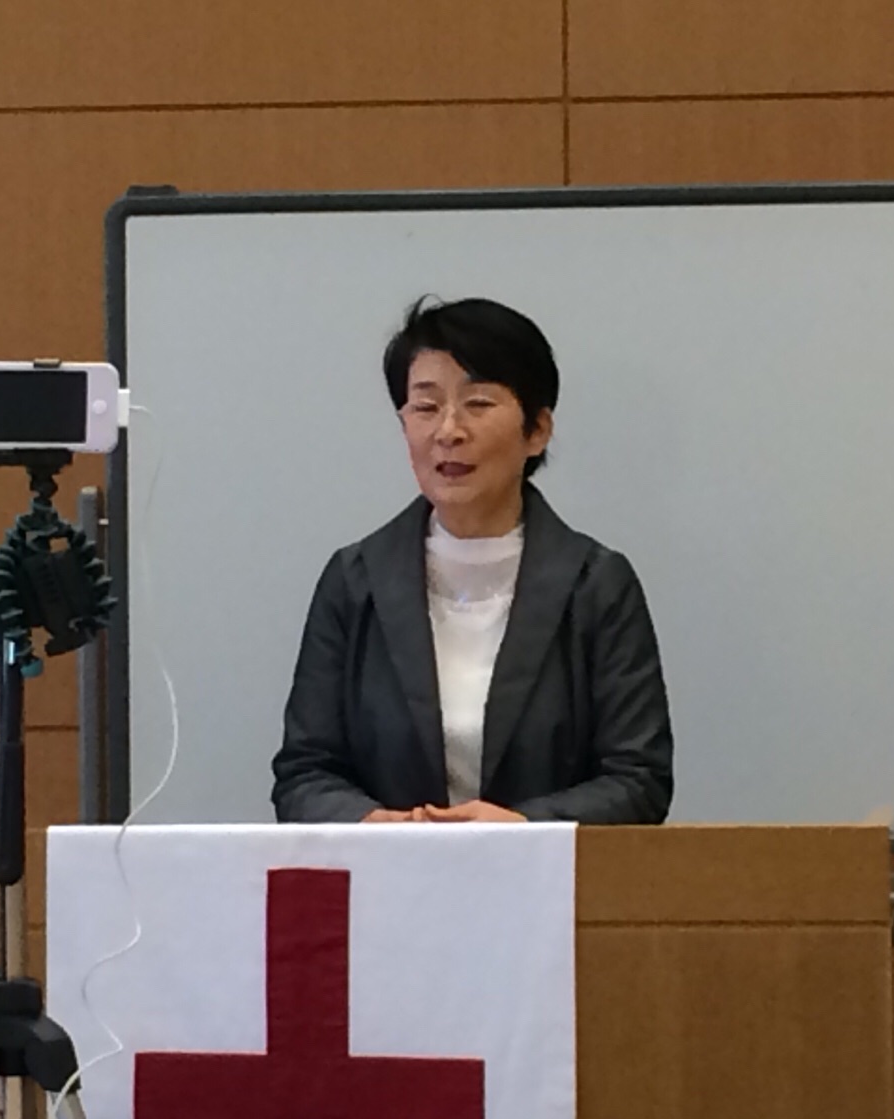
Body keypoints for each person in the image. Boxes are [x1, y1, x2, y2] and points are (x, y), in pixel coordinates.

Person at [271, 297, 672, 823]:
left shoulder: (596, 584)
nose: (448, 431)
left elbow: (639, 779)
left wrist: (522, 829)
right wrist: (371, 826)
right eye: (425, 407)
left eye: (478, 403)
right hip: (390, 870)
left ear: (537, 430)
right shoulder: (355, 580)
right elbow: (304, 772)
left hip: (540, 873)